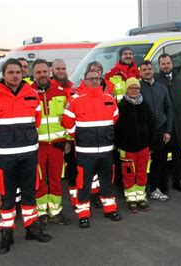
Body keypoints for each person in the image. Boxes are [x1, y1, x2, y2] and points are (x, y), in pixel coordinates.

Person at [0, 58, 51, 254]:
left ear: (23, 73)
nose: (14, 76)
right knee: (8, 197)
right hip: (5, 157)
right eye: (10, 72)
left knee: (29, 193)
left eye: (18, 72)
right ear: (3, 74)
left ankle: (31, 228)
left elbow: (35, 121)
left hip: (28, 154)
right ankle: (6, 233)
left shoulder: (31, 93)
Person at [63, 70, 122, 228]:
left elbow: (114, 118)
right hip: (85, 152)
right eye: (91, 79)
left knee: (107, 182)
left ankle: (110, 209)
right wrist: (80, 136)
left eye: (97, 79)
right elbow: (67, 122)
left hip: (106, 150)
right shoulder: (75, 100)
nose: (95, 81)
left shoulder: (109, 99)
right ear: (84, 81)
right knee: (84, 184)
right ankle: (83, 215)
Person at [30, 59, 71, 227]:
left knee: (55, 179)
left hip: (57, 145)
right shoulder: (27, 93)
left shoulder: (61, 92)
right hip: (36, 146)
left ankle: (55, 212)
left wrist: (67, 139)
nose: (42, 75)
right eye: (38, 72)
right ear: (33, 74)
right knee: (39, 180)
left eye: (44, 72)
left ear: (50, 72)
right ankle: (41, 213)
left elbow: (69, 119)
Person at [114, 77, 155, 212]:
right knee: (129, 174)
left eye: (136, 88)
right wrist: (118, 144)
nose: (134, 90)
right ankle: (131, 199)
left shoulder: (144, 105)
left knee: (142, 172)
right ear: (127, 89)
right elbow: (115, 128)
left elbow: (151, 125)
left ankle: (141, 198)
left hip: (143, 146)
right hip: (127, 148)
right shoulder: (121, 106)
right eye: (131, 88)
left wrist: (151, 145)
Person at [154, 54, 181, 193]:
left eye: (168, 63)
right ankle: (163, 185)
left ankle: (177, 181)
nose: (166, 66)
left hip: (179, 126)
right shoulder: (156, 81)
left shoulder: (179, 80)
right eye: (163, 64)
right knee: (162, 160)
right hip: (164, 129)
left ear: (172, 64)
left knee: (178, 158)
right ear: (159, 66)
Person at [139, 60, 173, 201]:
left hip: (160, 132)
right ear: (140, 72)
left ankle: (155, 189)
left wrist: (168, 131)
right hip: (145, 133)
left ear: (153, 70)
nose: (147, 71)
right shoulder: (138, 88)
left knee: (159, 163)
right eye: (144, 69)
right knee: (143, 164)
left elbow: (169, 110)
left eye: (149, 69)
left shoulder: (162, 87)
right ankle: (143, 190)